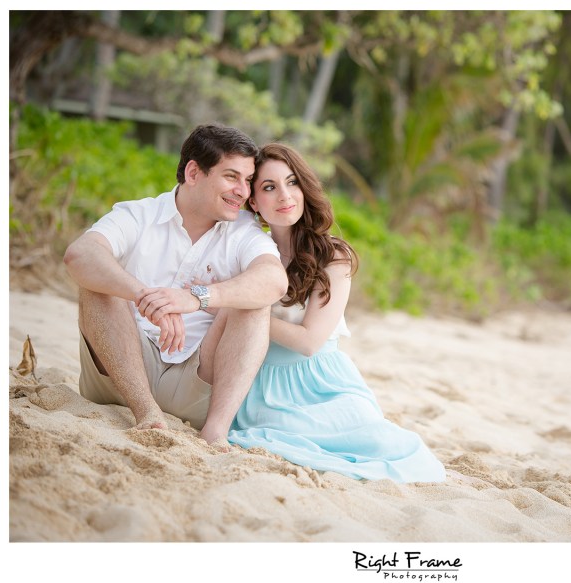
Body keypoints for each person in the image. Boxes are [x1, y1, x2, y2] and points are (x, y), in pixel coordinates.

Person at [227, 143, 446, 483]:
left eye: (292, 182)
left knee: (376, 442)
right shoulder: (248, 248)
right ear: (253, 201)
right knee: (272, 433)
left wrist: (241, 307)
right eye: (269, 187)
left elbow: (310, 341)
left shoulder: (333, 256)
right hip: (259, 381)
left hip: (320, 382)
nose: (285, 195)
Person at [63, 124, 288, 449]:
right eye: (231, 177)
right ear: (194, 172)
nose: (243, 191)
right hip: (119, 372)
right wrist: (144, 297)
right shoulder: (139, 214)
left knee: (254, 303)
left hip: (194, 382)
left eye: (248, 180)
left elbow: (274, 280)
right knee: (99, 282)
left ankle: (215, 431)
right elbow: (79, 254)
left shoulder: (243, 232)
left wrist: (196, 298)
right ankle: (146, 412)